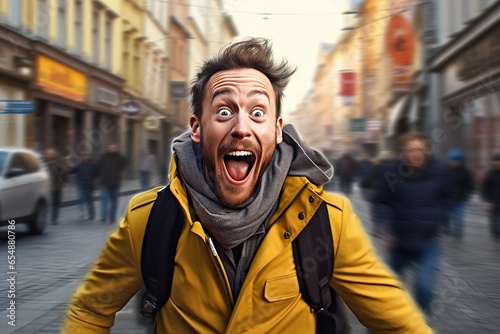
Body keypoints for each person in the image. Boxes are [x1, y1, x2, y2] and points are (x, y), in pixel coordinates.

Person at [62, 38, 432, 333]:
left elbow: (400, 324)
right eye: (224, 111)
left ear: (276, 128)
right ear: (196, 127)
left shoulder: (328, 222)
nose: (241, 127)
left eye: (258, 112)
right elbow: (90, 309)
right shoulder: (149, 219)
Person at [372, 131, 450, 316]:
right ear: (403, 152)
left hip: (427, 241)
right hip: (398, 241)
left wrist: (437, 216)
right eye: (411, 150)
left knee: (423, 287)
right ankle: (380, 326)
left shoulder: (440, 171)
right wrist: (385, 226)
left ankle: (419, 324)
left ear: (426, 150)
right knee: (390, 290)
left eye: (420, 149)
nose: (416, 154)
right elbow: (380, 200)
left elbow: (448, 197)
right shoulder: (392, 171)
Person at [443, 148, 474, 238]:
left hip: (460, 199)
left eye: (456, 161)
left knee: (458, 217)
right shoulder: (446, 171)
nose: (454, 163)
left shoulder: (465, 172)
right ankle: (447, 229)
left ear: (460, 161)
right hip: (448, 199)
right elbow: (441, 184)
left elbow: (470, 185)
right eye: (452, 161)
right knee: (445, 216)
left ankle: (458, 232)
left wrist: (466, 195)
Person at [96, 144, 127, 224]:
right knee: (104, 201)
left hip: (115, 183)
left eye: (113, 148)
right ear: (108, 149)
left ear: (116, 149)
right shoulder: (103, 157)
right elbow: (97, 167)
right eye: (110, 148)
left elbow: (123, 166)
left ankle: (112, 217)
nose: (112, 149)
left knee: (114, 203)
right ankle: (103, 217)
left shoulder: (119, 158)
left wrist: (120, 156)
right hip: (104, 183)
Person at [68, 154, 97, 221]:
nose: (85, 158)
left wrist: (94, 183)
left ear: (89, 158)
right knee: (80, 199)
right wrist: (69, 168)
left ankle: (91, 214)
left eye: (86, 157)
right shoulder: (80, 165)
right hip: (81, 185)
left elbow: (95, 175)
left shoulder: (92, 166)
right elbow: (72, 171)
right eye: (84, 157)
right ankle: (82, 212)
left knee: (89, 201)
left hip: (89, 186)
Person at [44, 148, 67, 225]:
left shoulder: (58, 163)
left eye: (49, 154)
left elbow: (62, 175)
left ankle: (54, 218)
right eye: (47, 154)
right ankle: (51, 218)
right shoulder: (45, 163)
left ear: (53, 155)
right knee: (49, 203)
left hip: (56, 187)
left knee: (55, 203)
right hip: (47, 187)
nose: (47, 155)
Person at [481, 152, 500, 240]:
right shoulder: (490, 173)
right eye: (496, 161)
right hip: (493, 201)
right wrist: (487, 200)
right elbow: (485, 188)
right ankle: (495, 234)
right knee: (494, 220)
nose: (497, 163)